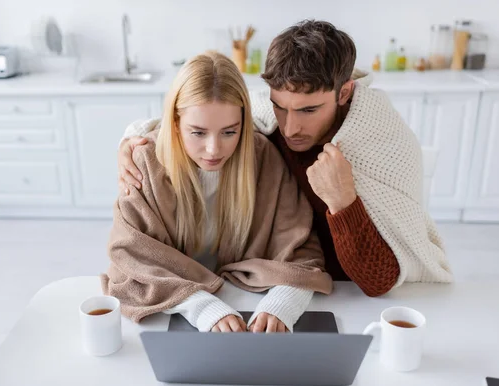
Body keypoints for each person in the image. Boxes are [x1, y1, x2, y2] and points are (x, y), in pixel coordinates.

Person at [118, 20, 453, 297]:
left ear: (345, 92)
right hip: (275, 280)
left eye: (309, 110)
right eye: (281, 106)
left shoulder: (384, 140)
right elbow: (203, 115)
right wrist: (132, 138)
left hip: (346, 293)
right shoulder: (268, 111)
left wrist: (343, 200)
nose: (290, 127)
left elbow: (378, 281)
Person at [101, 51, 333, 333]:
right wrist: (201, 307)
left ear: (244, 124)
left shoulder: (263, 157)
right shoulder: (145, 162)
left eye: (229, 132)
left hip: (246, 301)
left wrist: (282, 304)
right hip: (174, 312)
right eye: (198, 133)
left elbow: (300, 249)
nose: (214, 150)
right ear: (174, 123)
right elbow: (130, 255)